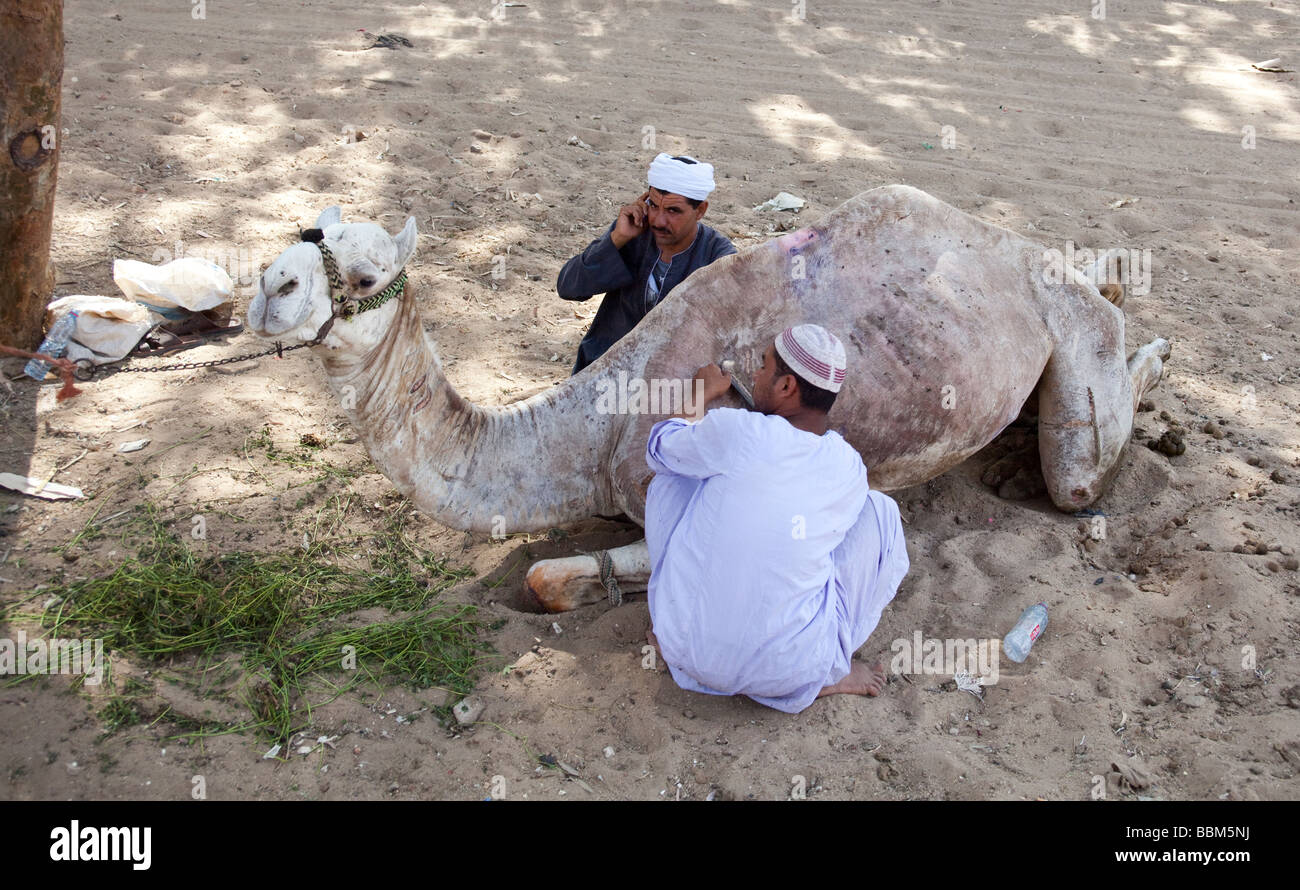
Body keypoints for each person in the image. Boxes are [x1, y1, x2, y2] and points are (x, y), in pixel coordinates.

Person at [642, 324, 910, 713]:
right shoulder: (848, 468)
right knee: (881, 512)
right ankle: (827, 668)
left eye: (764, 367)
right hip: (789, 670)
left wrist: (701, 393)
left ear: (786, 387)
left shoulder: (736, 431)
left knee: (671, 480)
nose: (754, 375)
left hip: (686, 649)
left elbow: (659, 447)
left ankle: (670, 624)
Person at [556, 153, 737, 374]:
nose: (658, 221)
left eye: (673, 211)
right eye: (653, 205)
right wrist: (617, 239)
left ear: (700, 211)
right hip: (603, 371)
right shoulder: (633, 233)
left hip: (670, 384)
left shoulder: (718, 257)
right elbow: (569, 288)